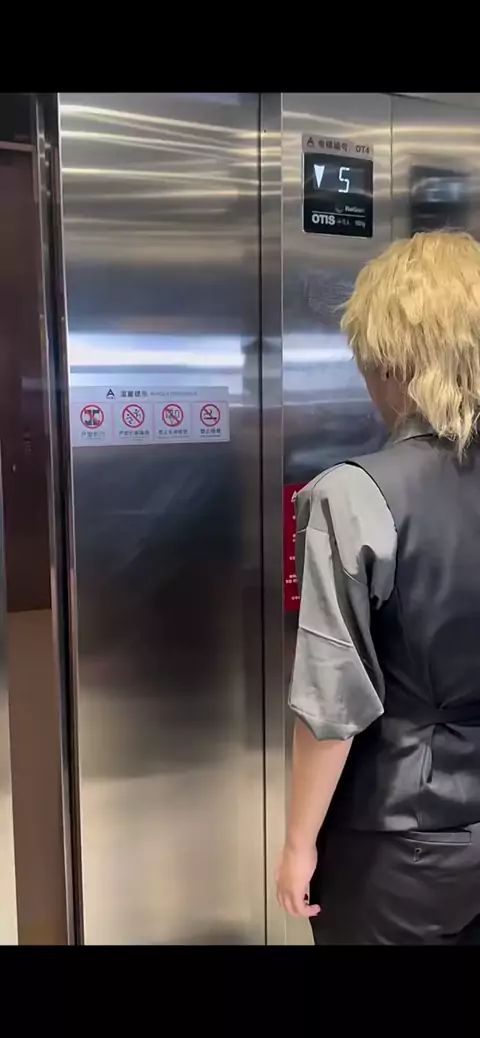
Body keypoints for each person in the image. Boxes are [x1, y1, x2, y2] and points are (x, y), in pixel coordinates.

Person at [276, 230, 480, 945]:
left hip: (399, 842)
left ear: (393, 362)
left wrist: (298, 843)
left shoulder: (351, 494)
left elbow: (332, 704)